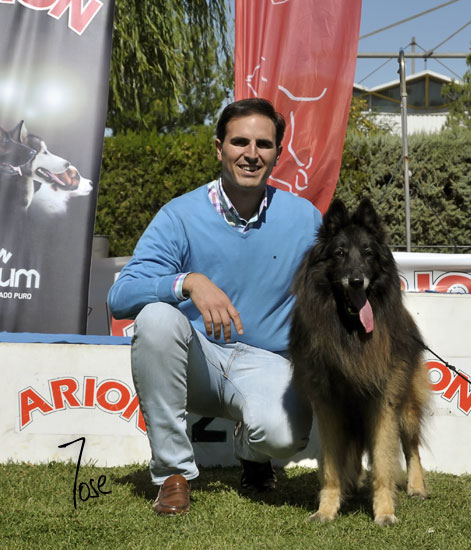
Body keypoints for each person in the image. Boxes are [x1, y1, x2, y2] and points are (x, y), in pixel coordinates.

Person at [108, 98, 321, 516]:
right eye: (240, 142)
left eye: (264, 144)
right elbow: (120, 297)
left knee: (283, 436)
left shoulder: (305, 218)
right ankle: (173, 474)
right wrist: (188, 282)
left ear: (278, 153)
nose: (251, 154)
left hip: (267, 362)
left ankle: (253, 454)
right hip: (198, 362)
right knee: (155, 318)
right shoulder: (179, 215)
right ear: (219, 148)